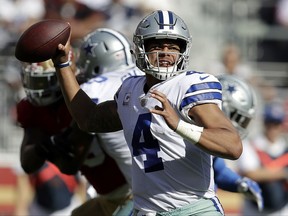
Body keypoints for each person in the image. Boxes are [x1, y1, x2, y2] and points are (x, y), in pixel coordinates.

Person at [52, 10, 242, 215]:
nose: (166, 53)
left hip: (193, 209)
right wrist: (62, 65)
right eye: (157, 45)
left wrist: (180, 125)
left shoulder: (189, 86)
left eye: (173, 47)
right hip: (147, 210)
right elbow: (88, 119)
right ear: (140, 48)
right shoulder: (129, 90)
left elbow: (232, 146)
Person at [68, 28, 144, 216]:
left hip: (142, 194)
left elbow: (82, 126)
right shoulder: (144, 75)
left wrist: (63, 68)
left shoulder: (95, 88)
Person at [15, 59, 87, 216]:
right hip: (43, 205)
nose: (37, 90)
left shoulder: (81, 99)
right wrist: (43, 147)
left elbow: (70, 166)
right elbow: (27, 164)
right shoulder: (31, 109)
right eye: (33, 82)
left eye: (41, 83)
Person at [236, 101, 288, 215]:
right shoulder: (251, 146)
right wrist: (283, 173)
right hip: (254, 210)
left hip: (282, 209)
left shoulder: (285, 148)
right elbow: (251, 173)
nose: (273, 128)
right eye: (269, 123)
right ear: (264, 123)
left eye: (276, 124)